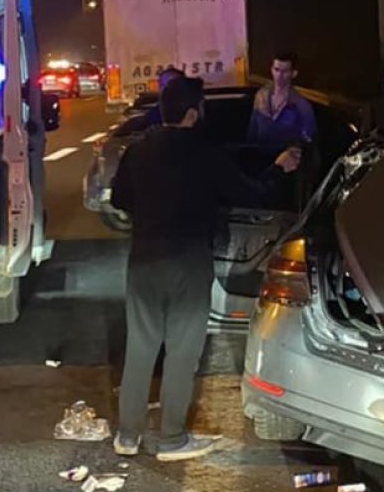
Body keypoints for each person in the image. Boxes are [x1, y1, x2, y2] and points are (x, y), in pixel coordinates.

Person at [111, 77, 301, 461]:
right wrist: (279, 167)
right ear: (194, 113)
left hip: (144, 259)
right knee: (182, 350)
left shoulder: (138, 151)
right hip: (188, 261)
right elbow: (253, 193)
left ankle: (127, 436)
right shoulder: (205, 154)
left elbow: (120, 199)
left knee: (141, 347)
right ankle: (171, 439)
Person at [247, 53, 316, 148]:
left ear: (294, 73)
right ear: (271, 70)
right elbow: (252, 133)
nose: (279, 75)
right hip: (259, 156)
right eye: (276, 70)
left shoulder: (302, 106)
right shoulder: (261, 96)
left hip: (286, 159)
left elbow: (308, 142)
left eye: (285, 71)